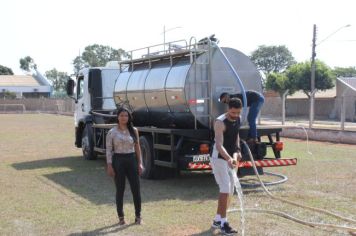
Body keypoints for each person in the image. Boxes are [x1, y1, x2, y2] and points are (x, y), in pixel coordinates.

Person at [106, 107, 144, 225]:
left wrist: (140, 163)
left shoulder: (134, 130)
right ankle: (121, 217)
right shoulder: (112, 132)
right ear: (118, 117)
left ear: (129, 117)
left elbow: (137, 148)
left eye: (126, 116)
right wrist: (109, 165)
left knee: (136, 189)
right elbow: (108, 149)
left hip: (131, 160)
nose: (124, 118)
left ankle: (138, 217)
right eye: (121, 115)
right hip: (118, 161)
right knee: (120, 189)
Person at [211, 97, 242, 235]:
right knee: (225, 189)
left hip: (229, 158)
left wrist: (237, 152)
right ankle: (223, 224)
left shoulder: (238, 119)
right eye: (233, 112)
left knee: (230, 190)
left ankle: (218, 219)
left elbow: (236, 136)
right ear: (228, 109)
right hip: (219, 159)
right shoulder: (220, 122)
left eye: (238, 113)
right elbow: (219, 145)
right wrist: (229, 158)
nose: (235, 116)